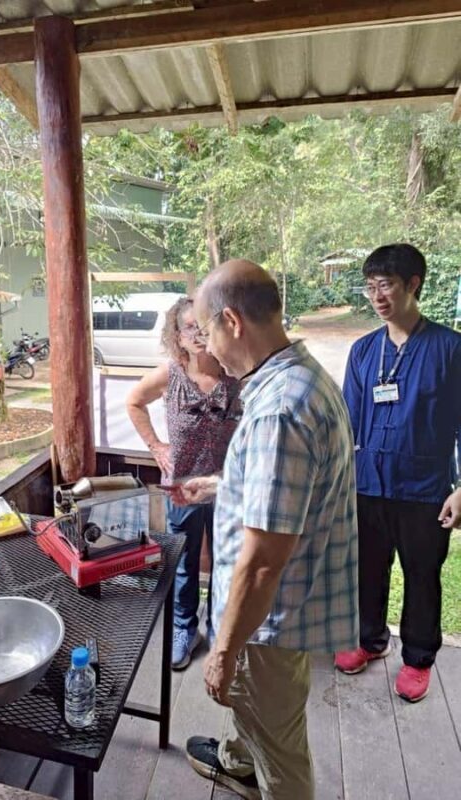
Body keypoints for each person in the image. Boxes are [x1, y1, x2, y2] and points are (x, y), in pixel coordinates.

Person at [168, 260, 358, 800]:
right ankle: (238, 761)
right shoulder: (302, 375)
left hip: (266, 621)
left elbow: (264, 561)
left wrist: (223, 651)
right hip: (282, 609)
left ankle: (262, 772)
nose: (204, 348)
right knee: (262, 718)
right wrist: (219, 486)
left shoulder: (279, 410)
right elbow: (284, 494)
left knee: (282, 747)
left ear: (231, 321)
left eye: (205, 334)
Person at [334, 244, 461, 703]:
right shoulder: (364, 351)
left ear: (413, 284)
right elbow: (346, 423)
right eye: (370, 287)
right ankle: (369, 640)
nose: (376, 296)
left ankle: (418, 657)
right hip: (368, 483)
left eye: (385, 285)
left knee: (422, 574)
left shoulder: (450, 348)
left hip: (425, 488)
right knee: (367, 567)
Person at [126, 296, 241, 670]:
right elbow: (134, 402)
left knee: (227, 560)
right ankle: (183, 628)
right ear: (176, 334)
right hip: (182, 486)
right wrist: (156, 446)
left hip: (227, 486)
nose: (197, 334)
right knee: (183, 564)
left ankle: (220, 629)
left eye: (202, 325)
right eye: (188, 327)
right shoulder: (169, 374)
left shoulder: (234, 375)